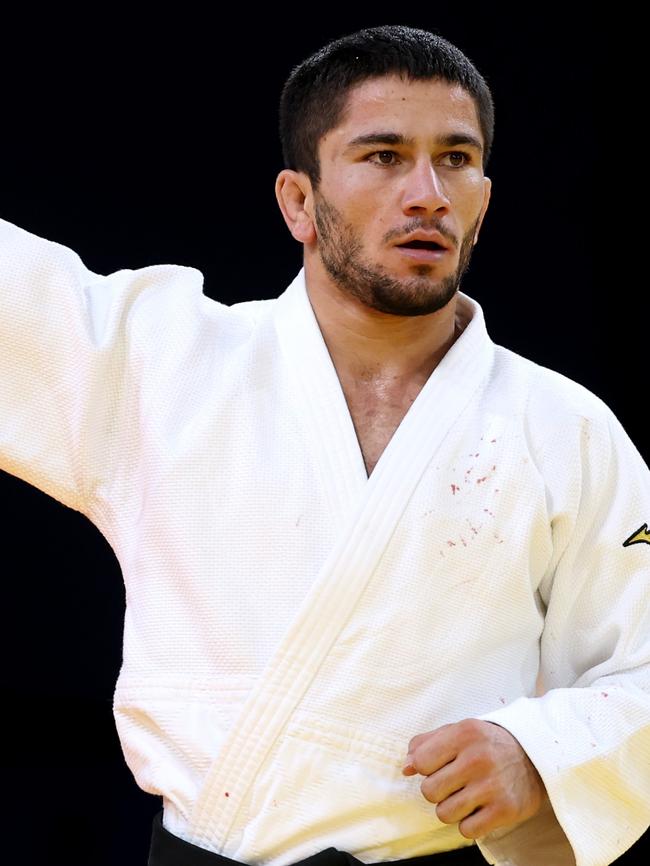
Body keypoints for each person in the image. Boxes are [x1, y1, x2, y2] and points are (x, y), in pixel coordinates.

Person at [0, 22, 648, 866]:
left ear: (485, 195)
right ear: (298, 202)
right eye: (383, 156)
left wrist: (543, 752)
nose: (428, 194)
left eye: (456, 158)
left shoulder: (569, 432)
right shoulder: (166, 365)